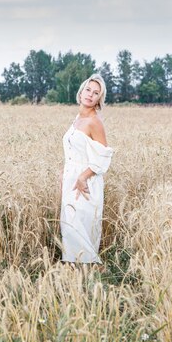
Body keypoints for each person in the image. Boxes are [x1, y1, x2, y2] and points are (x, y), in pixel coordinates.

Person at [60, 74, 113, 264]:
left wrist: (83, 177)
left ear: (100, 98)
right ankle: (74, 276)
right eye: (88, 90)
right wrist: (64, 175)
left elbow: (103, 156)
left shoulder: (94, 122)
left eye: (96, 93)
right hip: (70, 179)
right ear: (81, 91)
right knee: (69, 227)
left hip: (86, 181)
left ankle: (90, 271)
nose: (90, 95)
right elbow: (72, 151)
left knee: (80, 227)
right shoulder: (77, 119)